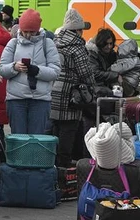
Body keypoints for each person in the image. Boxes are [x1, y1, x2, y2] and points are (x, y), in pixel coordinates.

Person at [0, 9, 61, 134]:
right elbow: (1, 69)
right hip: (16, 100)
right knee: (18, 140)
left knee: (36, 141)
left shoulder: (47, 43)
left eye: (32, 32)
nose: (27, 35)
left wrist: (37, 70)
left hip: (40, 100)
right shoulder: (13, 43)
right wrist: (14, 67)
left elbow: (56, 71)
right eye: (25, 31)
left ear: (38, 29)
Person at [50, 9, 96, 168]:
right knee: (68, 131)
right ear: (77, 29)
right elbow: (86, 73)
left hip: (53, 92)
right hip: (71, 95)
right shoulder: (77, 46)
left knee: (55, 130)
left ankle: (52, 165)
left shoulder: (55, 42)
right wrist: (92, 88)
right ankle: (63, 168)